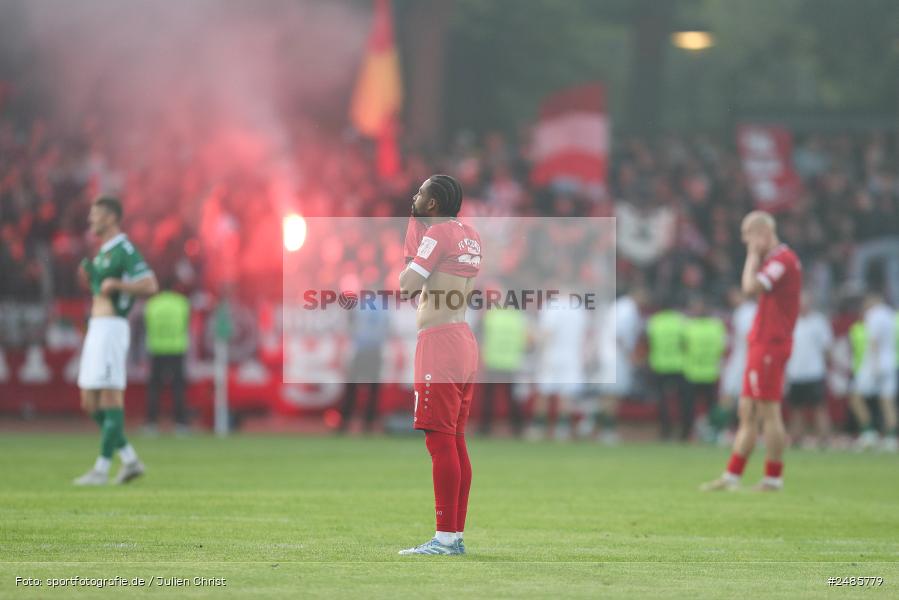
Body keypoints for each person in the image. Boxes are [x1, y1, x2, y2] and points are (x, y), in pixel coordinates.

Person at [397, 174, 480, 555]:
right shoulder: (468, 233)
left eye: (420, 193)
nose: (414, 196)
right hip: (462, 339)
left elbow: (407, 286)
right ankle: (455, 535)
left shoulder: (437, 235)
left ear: (433, 204)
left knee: (439, 440)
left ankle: (445, 538)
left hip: (440, 345)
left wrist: (415, 238)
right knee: (456, 440)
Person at [702, 211, 801, 492]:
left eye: (748, 236)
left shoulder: (782, 260)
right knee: (747, 411)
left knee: (769, 410)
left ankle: (773, 478)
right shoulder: (778, 261)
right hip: (761, 342)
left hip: (772, 343)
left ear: (761, 233)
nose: (747, 241)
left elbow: (749, 288)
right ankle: (732, 476)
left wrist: (751, 256)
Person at [74, 196, 159, 485]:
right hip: (97, 327)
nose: (91, 220)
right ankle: (131, 459)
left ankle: (101, 469)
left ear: (111, 217)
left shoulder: (123, 248)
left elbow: (150, 284)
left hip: (112, 328)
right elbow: (102, 288)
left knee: (110, 397)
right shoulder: (102, 253)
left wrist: (117, 285)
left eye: (95, 215)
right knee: (89, 401)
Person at [582, 288, 645, 444]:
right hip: (616, 357)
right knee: (613, 395)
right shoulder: (627, 309)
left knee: (608, 394)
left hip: (609, 355)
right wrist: (630, 355)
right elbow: (619, 335)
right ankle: (606, 429)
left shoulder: (620, 307)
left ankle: (590, 422)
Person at [849, 291, 897, 452]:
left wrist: (874, 364)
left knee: (855, 397)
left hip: (874, 363)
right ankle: (891, 438)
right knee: (887, 401)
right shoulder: (890, 314)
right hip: (890, 362)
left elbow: (874, 340)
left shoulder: (873, 315)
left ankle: (869, 433)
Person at [785, 291, 833, 449]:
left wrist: (829, 366)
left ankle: (824, 440)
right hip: (795, 372)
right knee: (796, 409)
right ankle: (796, 439)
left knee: (819, 407)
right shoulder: (790, 322)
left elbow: (827, 347)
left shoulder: (818, 322)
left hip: (814, 371)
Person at [144, 280, 191, 434]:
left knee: (154, 389)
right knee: (178, 389)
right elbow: (186, 324)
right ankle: (181, 424)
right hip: (177, 348)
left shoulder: (152, 304)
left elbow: (147, 325)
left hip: (157, 348)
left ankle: (151, 424)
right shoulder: (182, 303)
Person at [682, 295, 726, 442]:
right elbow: (723, 348)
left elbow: (683, 347)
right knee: (702, 408)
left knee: (696, 408)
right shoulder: (717, 326)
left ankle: (698, 434)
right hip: (703, 372)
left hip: (696, 372)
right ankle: (702, 434)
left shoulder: (688, 326)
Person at [478, 306, 528, 436]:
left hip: (493, 360)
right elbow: (526, 341)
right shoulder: (518, 317)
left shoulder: (490, 315)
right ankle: (518, 427)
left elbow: (481, 337)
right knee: (511, 397)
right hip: (511, 362)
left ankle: (485, 427)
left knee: (489, 397)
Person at [714, 288, 756, 444]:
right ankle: (737, 431)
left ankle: (722, 431)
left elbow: (747, 338)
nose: (731, 298)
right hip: (745, 359)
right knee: (741, 398)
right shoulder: (748, 310)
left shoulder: (745, 311)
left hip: (743, 360)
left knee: (731, 396)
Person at [646, 303, 686, 440]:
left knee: (662, 400)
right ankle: (682, 430)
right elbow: (685, 342)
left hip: (659, 365)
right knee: (681, 400)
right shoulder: (680, 320)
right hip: (678, 365)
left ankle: (665, 429)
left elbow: (649, 341)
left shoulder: (654, 321)